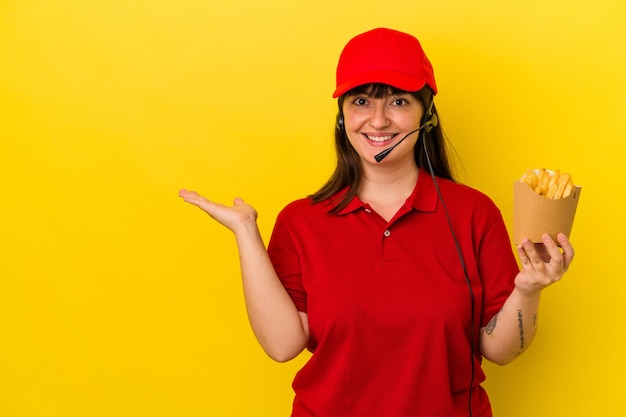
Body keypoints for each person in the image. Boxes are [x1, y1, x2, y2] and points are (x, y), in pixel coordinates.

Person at [179, 27, 574, 417]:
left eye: (399, 102)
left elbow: (499, 351)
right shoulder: (301, 221)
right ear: (342, 116)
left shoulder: (474, 213)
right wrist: (245, 232)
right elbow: (283, 346)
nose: (379, 121)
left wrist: (529, 289)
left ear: (427, 115)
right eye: (362, 101)